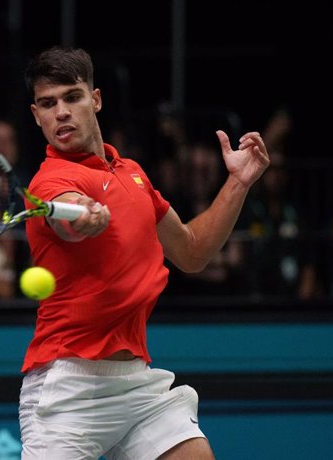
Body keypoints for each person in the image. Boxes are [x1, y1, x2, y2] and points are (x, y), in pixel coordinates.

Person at [18, 46, 270, 459]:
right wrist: (83, 218)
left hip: (135, 382)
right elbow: (67, 215)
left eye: (72, 97)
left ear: (95, 99)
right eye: (48, 104)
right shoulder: (50, 182)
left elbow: (191, 252)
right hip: (68, 388)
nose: (61, 111)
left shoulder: (132, 173)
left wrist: (239, 182)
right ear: (36, 115)